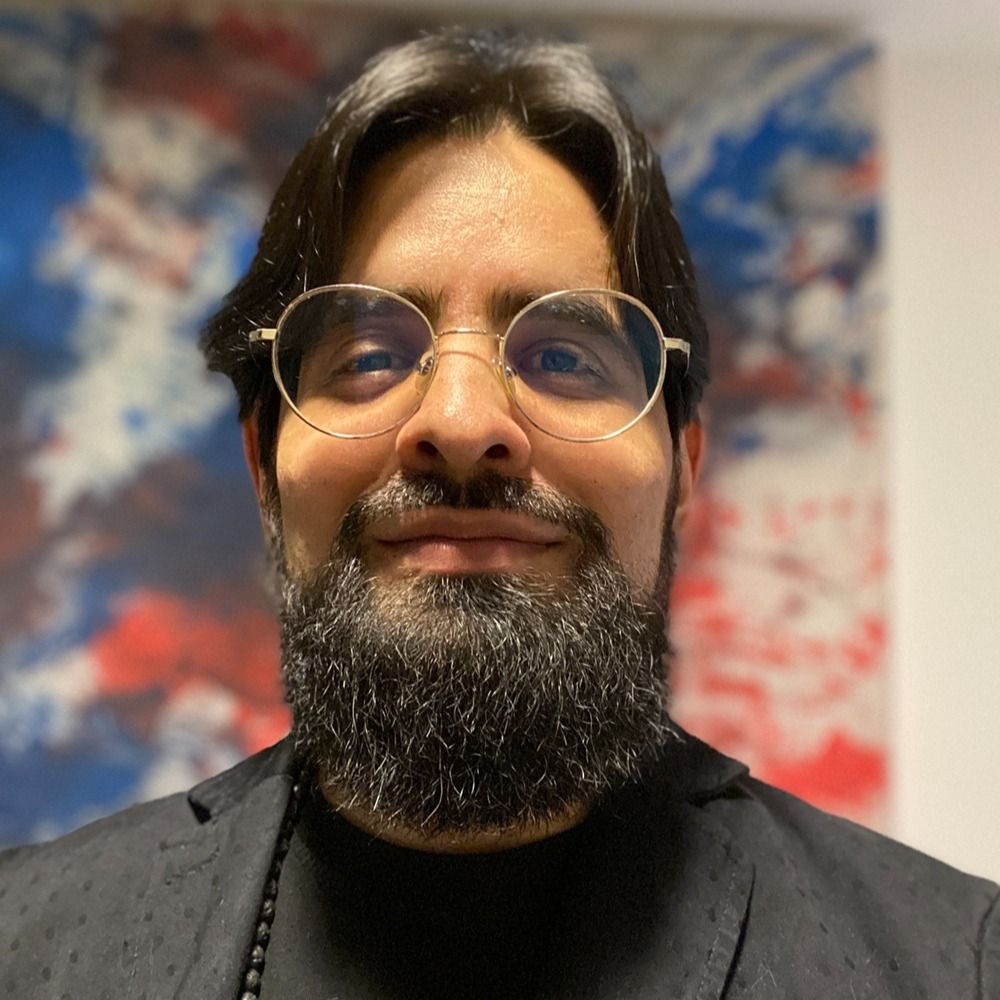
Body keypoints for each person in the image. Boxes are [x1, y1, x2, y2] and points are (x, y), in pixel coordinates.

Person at [1, 26, 997, 1000]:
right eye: (371, 357)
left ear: (682, 473)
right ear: (264, 462)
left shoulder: (958, 964)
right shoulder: (27, 948)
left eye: (563, 356)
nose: (463, 422)